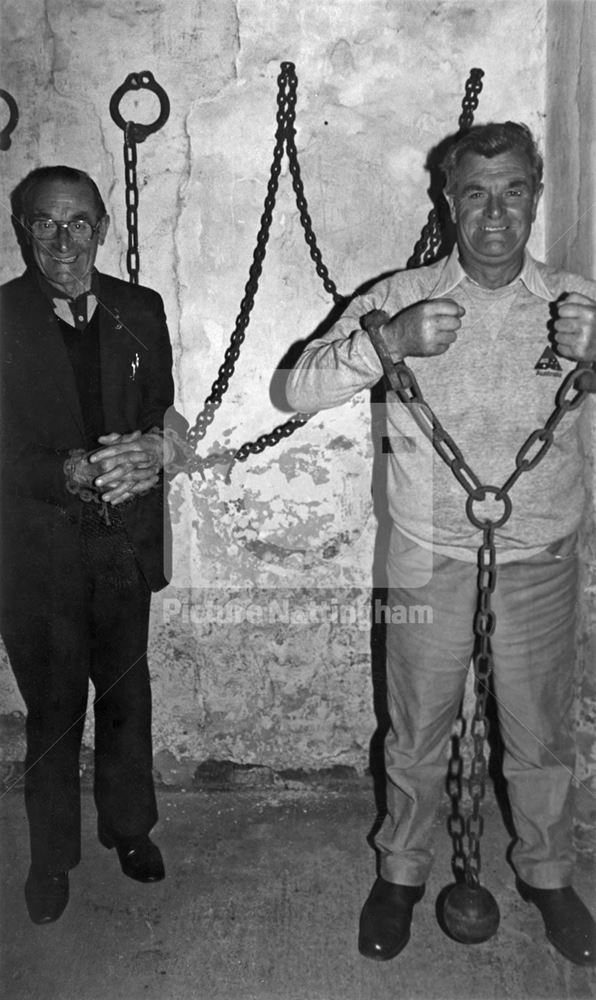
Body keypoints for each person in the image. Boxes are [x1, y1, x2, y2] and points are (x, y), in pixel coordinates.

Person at [286, 122, 596, 966]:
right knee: (417, 730)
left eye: (514, 191)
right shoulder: (403, 294)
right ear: (447, 199)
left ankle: (547, 873)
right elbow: (294, 387)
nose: (495, 212)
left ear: (535, 194)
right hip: (427, 552)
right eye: (475, 192)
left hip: (537, 556)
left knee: (539, 734)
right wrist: (386, 342)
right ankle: (401, 871)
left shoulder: (574, 300)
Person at [0, 165, 184, 924]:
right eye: (46, 222)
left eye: (80, 223)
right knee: (51, 712)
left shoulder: (140, 307)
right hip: (34, 551)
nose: (64, 241)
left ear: (104, 228)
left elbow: (163, 409)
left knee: (124, 695)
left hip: (122, 545)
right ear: (23, 230)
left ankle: (129, 828)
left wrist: (153, 448)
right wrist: (65, 471)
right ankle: (52, 860)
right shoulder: (0, 317)